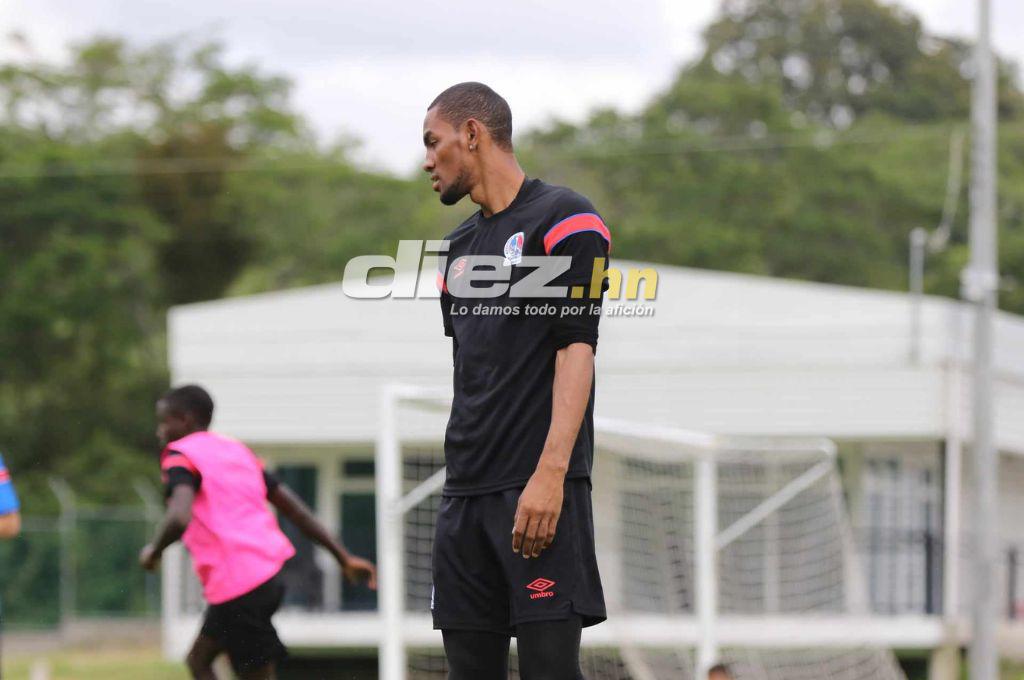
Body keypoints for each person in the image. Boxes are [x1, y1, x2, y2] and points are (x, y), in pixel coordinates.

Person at [424, 82, 609, 680]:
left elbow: (577, 351)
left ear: (471, 135)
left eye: (434, 143)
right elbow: (478, 376)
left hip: (537, 492)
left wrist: (550, 476)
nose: (427, 160)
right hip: (465, 497)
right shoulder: (455, 251)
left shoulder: (568, 219)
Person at [139, 384, 376, 680]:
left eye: (164, 422)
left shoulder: (180, 455)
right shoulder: (236, 452)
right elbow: (296, 510)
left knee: (230, 668)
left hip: (239, 584)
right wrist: (343, 557)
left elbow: (178, 517)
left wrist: (154, 551)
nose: (159, 431)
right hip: (265, 575)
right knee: (199, 659)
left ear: (185, 420)